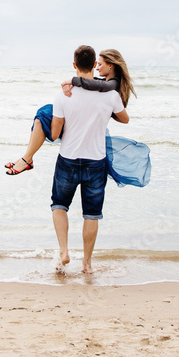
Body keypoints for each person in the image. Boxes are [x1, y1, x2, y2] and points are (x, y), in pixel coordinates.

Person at [45, 45, 126, 274]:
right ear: (94, 66)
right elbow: (125, 118)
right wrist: (105, 113)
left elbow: (53, 134)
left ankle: (64, 251)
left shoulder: (63, 94)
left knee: (59, 205)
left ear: (74, 66)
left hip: (68, 159)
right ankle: (87, 265)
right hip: (95, 162)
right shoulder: (110, 95)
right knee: (91, 214)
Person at [5, 48, 135, 175]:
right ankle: (27, 157)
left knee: (43, 114)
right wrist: (75, 85)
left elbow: (100, 87)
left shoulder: (113, 85)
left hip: (83, 141)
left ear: (111, 66)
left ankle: (27, 159)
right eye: (97, 64)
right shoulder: (107, 83)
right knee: (43, 113)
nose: (97, 68)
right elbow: (93, 83)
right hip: (88, 126)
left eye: (100, 64)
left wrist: (73, 81)